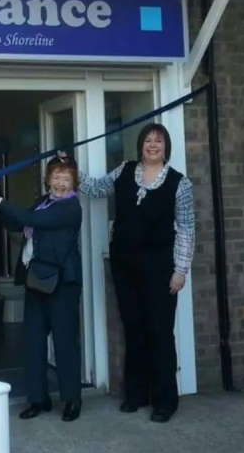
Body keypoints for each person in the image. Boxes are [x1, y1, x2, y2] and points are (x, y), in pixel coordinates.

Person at [61, 121, 195, 424]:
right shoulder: (124, 171)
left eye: (158, 141)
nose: (152, 145)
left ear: (166, 147)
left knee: (160, 333)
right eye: (148, 140)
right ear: (141, 145)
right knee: (133, 330)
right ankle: (135, 395)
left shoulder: (179, 183)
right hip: (125, 267)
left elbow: (186, 229)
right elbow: (95, 188)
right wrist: (71, 168)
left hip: (160, 269)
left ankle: (165, 402)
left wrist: (181, 270)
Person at [0, 155, 84, 422]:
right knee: (33, 342)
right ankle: (38, 399)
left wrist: (5, 204)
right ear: (48, 180)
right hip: (36, 280)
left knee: (65, 343)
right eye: (56, 177)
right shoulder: (43, 203)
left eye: (67, 178)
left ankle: (72, 399)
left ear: (74, 182)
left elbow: (32, 219)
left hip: (62, 283)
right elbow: (20, 223)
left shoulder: (70, 208)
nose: (61, 183)